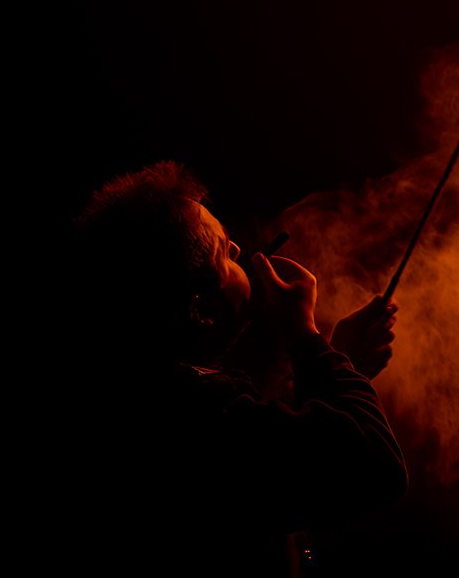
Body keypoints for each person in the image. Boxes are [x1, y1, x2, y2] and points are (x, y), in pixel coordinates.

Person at [55, 160, 406, 569]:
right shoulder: (189, 413)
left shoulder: (142, 386)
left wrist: (342, 366)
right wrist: (305, 336)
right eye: (224, 251)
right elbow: (372, 467)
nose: (239, 248)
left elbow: (284, 474)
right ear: (201, 308)